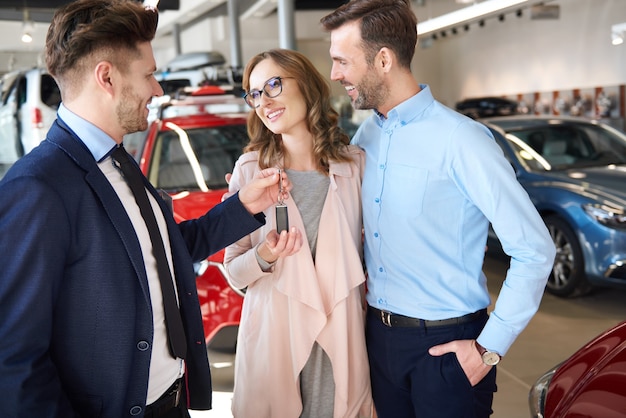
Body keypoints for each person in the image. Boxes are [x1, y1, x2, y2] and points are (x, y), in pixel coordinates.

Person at [0, 1, 289, 417]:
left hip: (170, 403)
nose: (157, 89)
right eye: (150, 74)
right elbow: (14, 359)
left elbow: (165, 252)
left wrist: (243, 206)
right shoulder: (37, 187)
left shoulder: (119, 162)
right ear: (107, 77)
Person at [320, 1, 556, 417]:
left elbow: (535, 248)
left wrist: (488, 348)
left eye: (342, 61)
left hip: (448, 349)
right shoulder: (367, 134)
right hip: (378, 340)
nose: (336, 74)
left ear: (384, 59)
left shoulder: (462, 140)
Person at [223, 48, 374, 418]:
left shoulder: (353, 165)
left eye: (273, 84)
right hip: (277, 340)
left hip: (339, 339)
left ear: (306, 85)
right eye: (255, 93)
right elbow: (233, 270)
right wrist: (266, 256)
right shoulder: (249, 171)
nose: (264, 101)